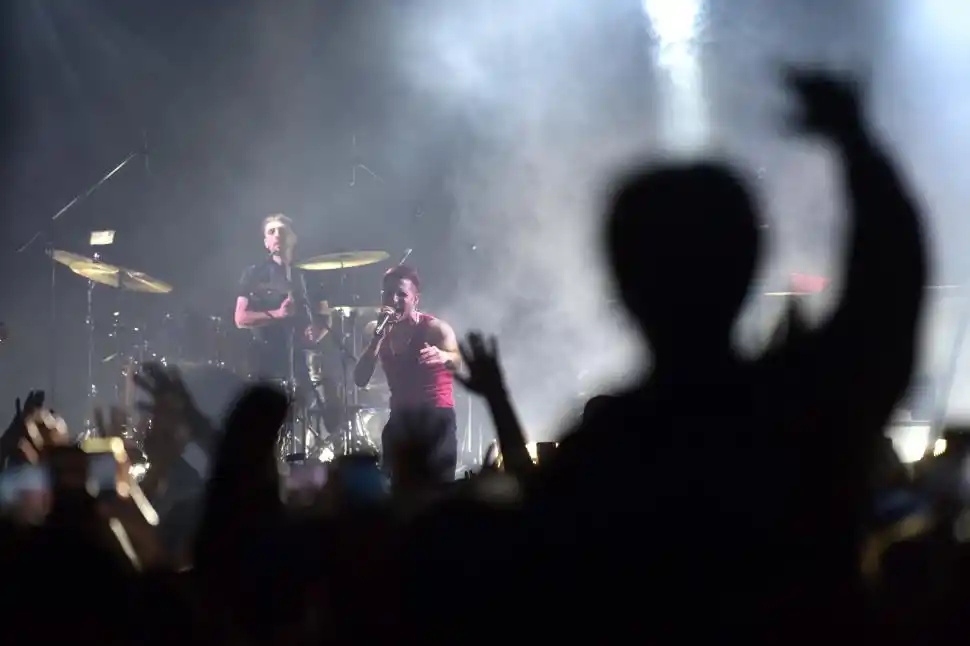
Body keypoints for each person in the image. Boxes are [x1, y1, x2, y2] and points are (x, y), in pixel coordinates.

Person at [353, 265, 461, 485]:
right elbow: (360, 378)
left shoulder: (435, 329)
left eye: (401, 294)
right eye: (387, 294)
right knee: (399, 488)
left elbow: (460, 362)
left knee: (437, 488)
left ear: (415, 299)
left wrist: (442, 355)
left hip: (435, 417)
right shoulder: (375, 330)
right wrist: (377, 339)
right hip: (401, 417)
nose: (393, 300)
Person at [233, 214, 329, 381]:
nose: (277, 235)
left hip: (303, 359)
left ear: (294, 238)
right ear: (266, 243)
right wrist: (277, 314)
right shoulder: (253, 274)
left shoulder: (309, 274)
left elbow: (326, 315)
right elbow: (240, 318)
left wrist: (316, 331)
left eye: (282, 231)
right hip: (266, 360)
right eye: (271, 232)